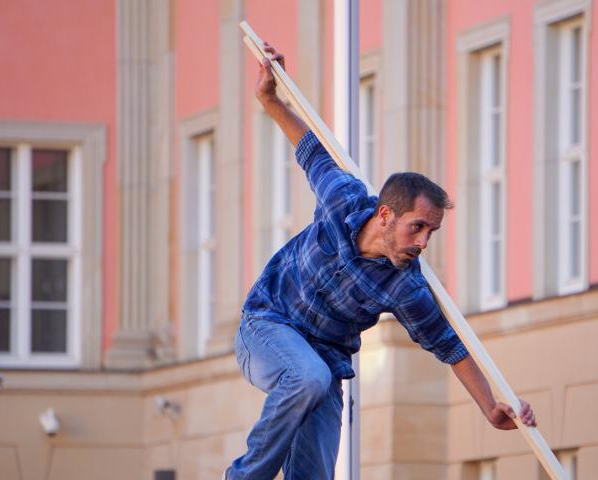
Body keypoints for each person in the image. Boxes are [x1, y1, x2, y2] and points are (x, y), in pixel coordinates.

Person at [224, 43, 537, 480]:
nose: (423, 243)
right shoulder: (343, 198)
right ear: (385, 214)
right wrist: (269, 98)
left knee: (315, 459)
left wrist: (490, 407)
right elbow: (309, 148)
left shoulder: (404, 285)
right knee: (306, 377)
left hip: (325, 362)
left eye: (432, 232)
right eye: (418, 228)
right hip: (265, 326)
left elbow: (449, 345)